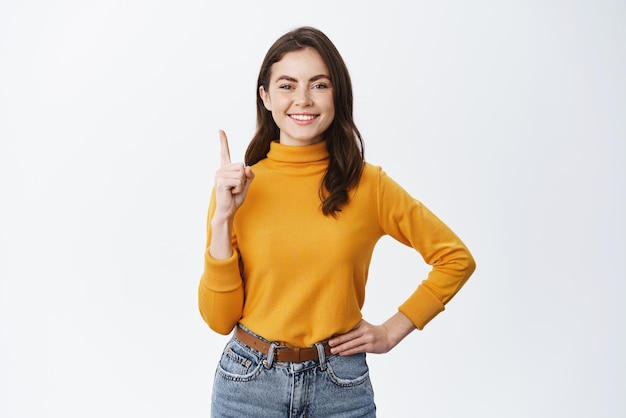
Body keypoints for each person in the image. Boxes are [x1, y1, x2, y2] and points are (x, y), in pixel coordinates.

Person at [198, 26, 476, 417]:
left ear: (337, 94)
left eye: (319, 85)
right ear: (265, 96)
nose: (303, 100)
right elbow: (218, 319)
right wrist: (222, 221)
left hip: (340, 388)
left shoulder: (369, 185)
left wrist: (393, 329)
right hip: (248, 386)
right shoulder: (239, 186)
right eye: (287, 86)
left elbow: (455, 258)